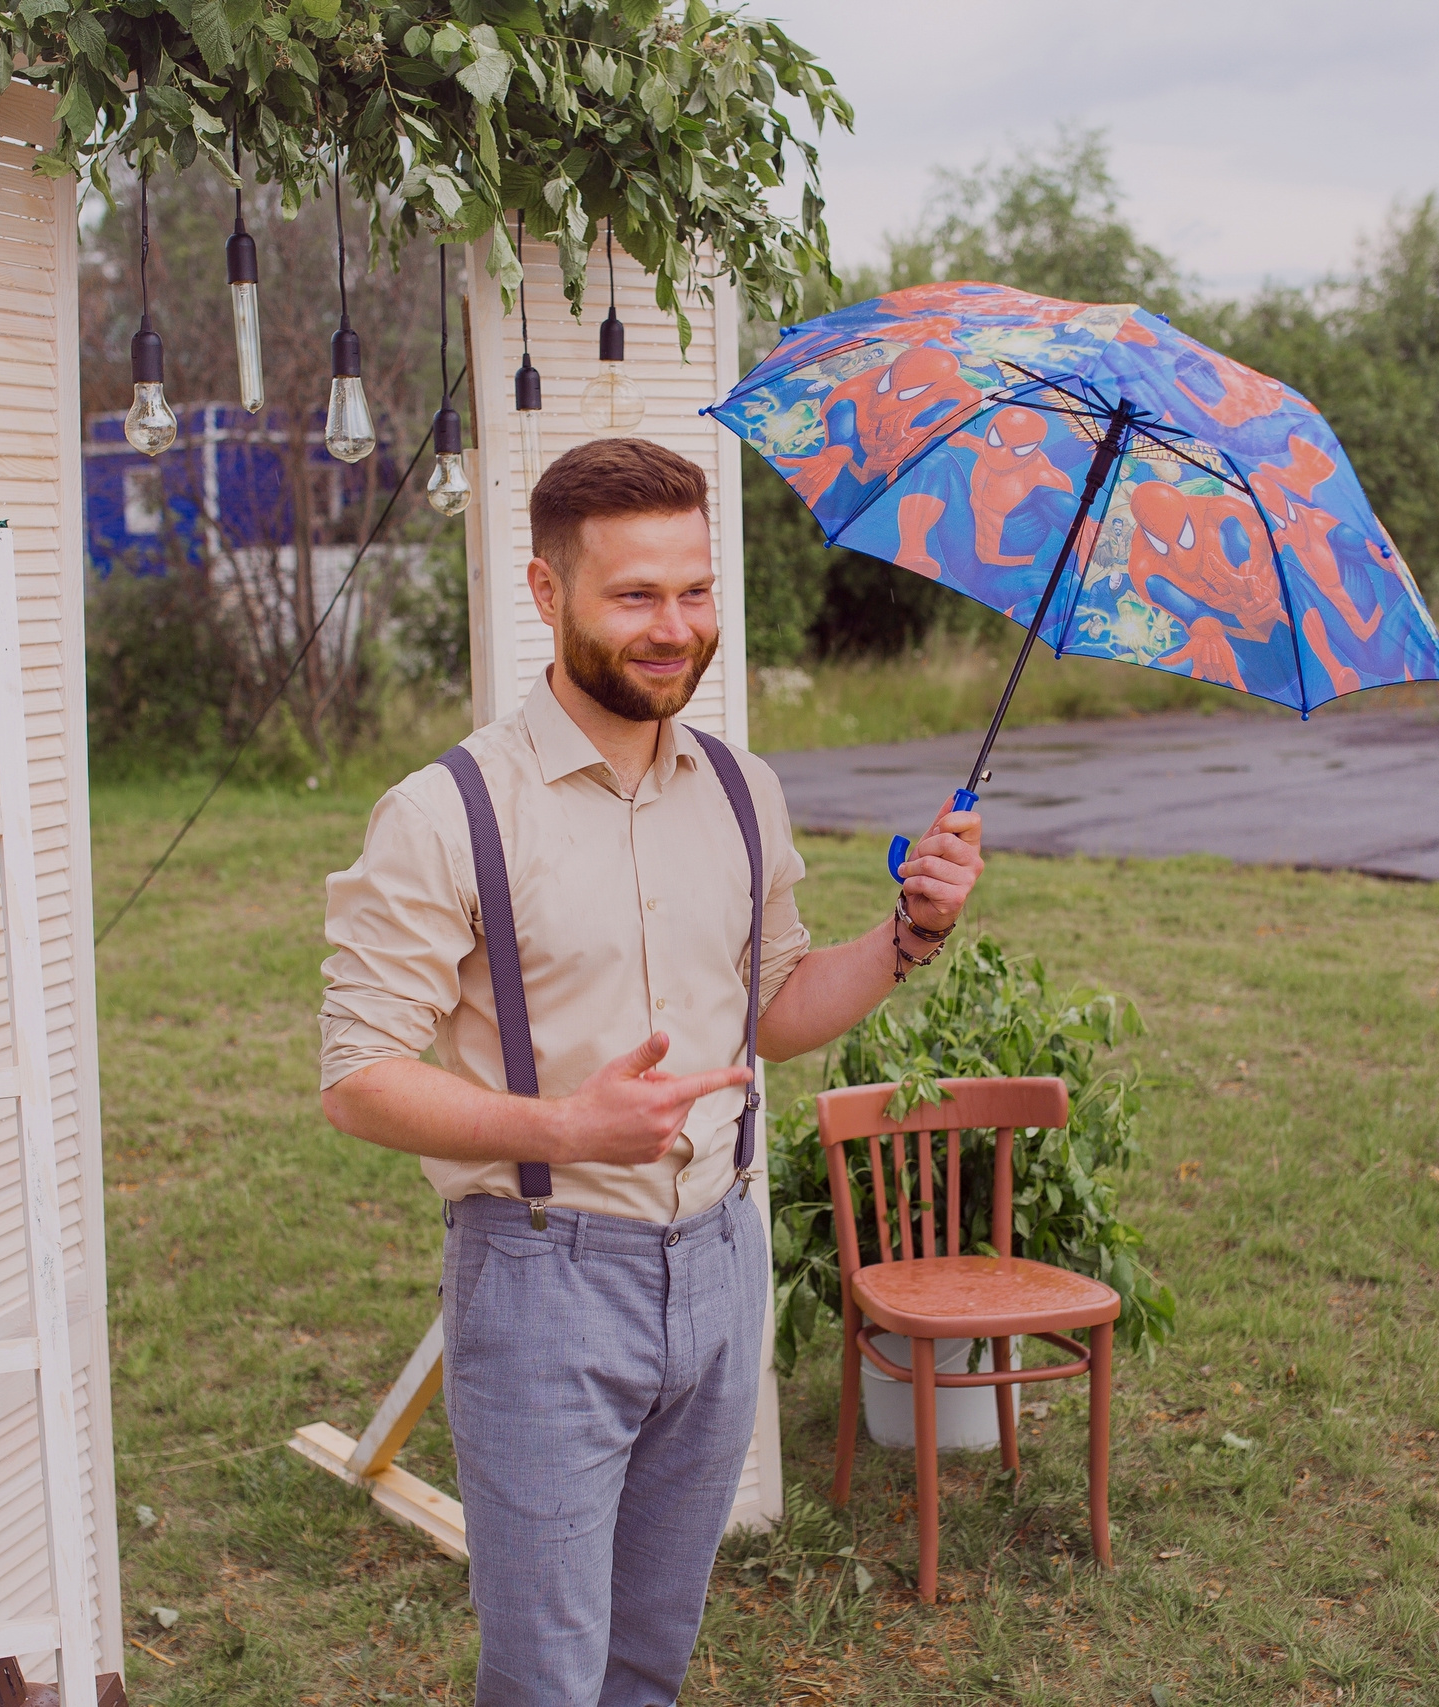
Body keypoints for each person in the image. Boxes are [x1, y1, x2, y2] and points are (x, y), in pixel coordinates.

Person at [318, 437, 984, 1706]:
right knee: (549, 1677)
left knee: (648, 1661)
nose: (673, 628)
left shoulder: (740, 790)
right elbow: (356, 1077)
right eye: (634, 595)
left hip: (720, 1268)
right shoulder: (449, 811)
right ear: (544, 591)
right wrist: (563, 1122)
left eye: (692, 591)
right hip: (542, 1276)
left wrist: (913, 934)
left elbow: (775, 1011)